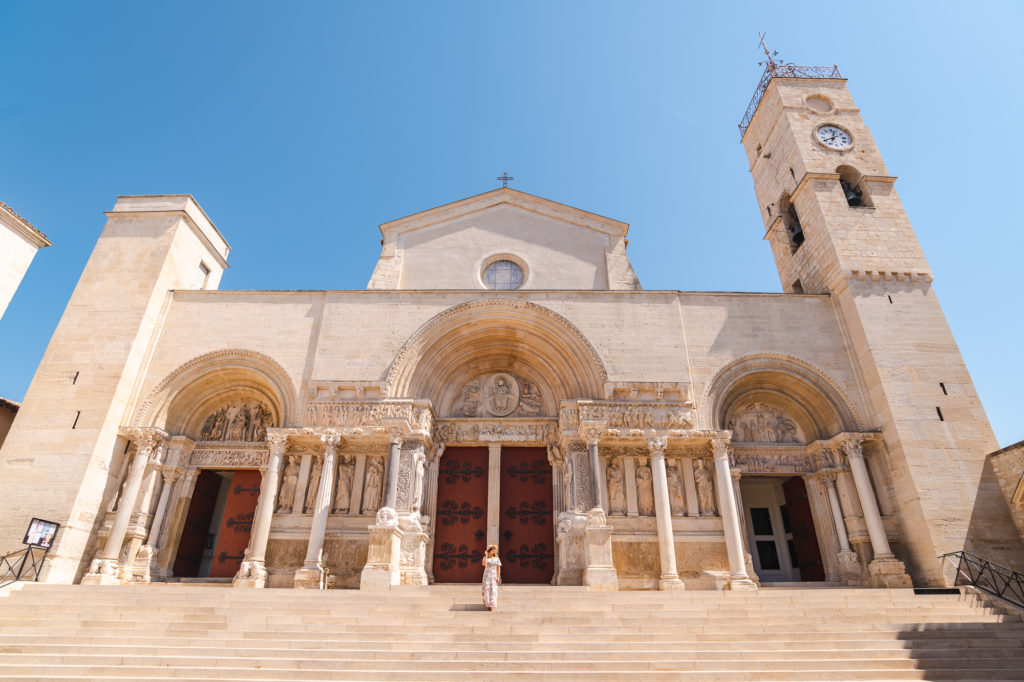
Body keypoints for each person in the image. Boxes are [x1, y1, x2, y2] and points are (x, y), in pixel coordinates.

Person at [481, 544, 502, 610]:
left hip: (494, 576)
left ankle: (492, 604)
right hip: (487, 576)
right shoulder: (485, 558)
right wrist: (486, 555)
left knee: (493, 590)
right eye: (493, 550)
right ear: (489, 551)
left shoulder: (497, 558)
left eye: (494, 551)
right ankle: (488, 604)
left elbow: (498, 568)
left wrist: (498, 577)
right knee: (487, 589)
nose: (494, 552)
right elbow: (484, 564)